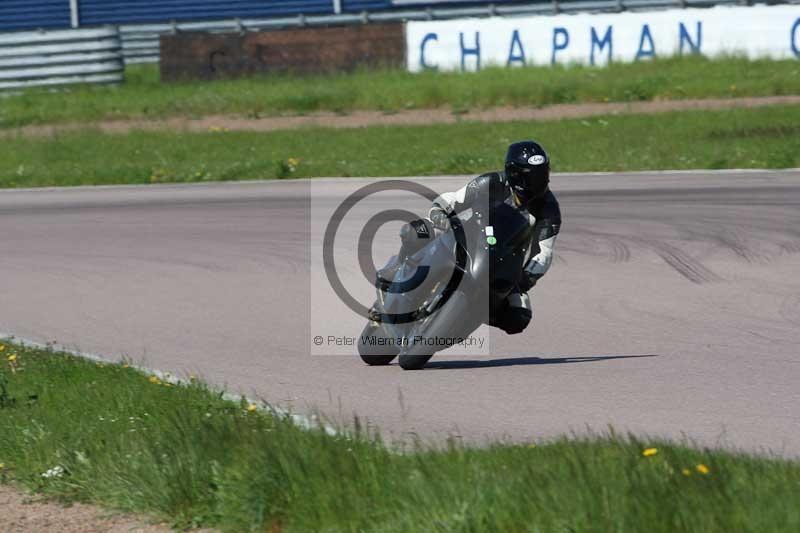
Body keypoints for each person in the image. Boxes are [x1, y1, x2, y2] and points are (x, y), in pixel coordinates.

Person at [426, 140, 561, 334]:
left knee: (518, 316)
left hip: (502, 263)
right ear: (514, 174)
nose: (537, 183)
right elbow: (454, 199)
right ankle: (401, 273)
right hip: (463, 240)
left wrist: (522, 281)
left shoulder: (549, 209)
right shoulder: (492, 183)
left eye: (542, 175)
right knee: (419, 231)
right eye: (530, 178)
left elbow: (543, 253)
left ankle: (466, 316)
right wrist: (439, 214)